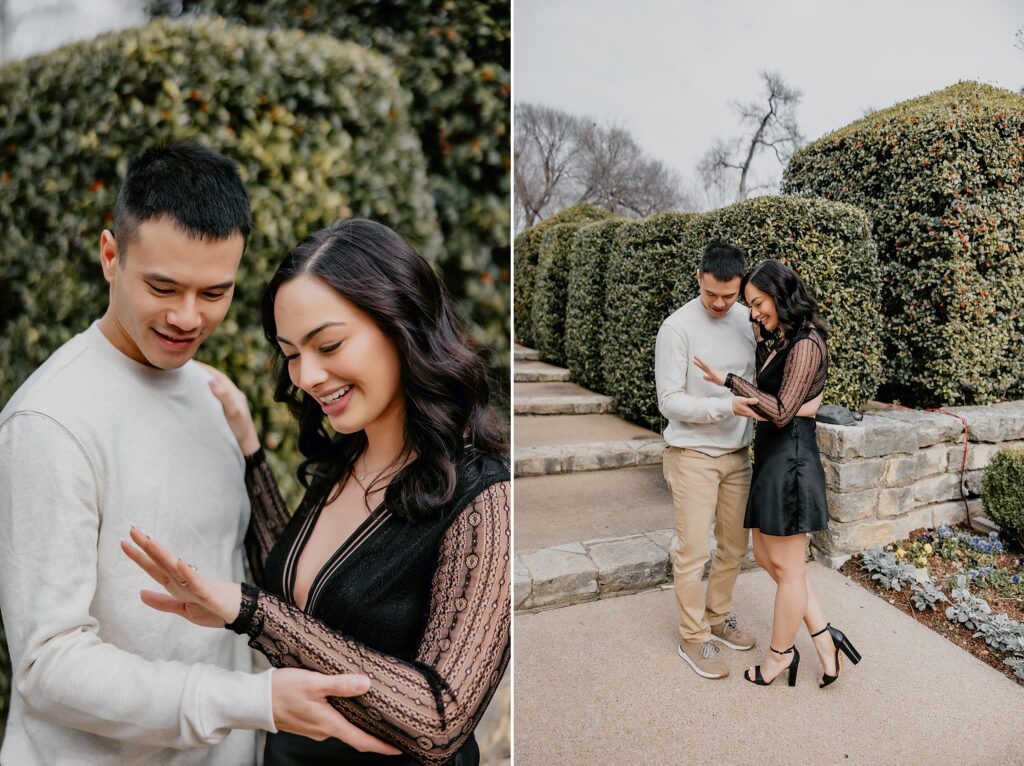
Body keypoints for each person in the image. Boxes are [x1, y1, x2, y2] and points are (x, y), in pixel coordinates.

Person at [0, 142, 397, 765]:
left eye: (215, 293)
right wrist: (250, 701)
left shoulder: (213, 397)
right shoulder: (50, 420)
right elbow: (47, 663)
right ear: (111, 256)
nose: (188, 318)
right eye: (163, 286)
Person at [123, 218, 511, 765]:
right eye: (291, 352)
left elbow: (439, 721)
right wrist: (251, 455)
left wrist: (249, 611)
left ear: (401, 323)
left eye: (327, 344)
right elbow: (301, 602)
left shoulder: (485, 499)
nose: (306, 375)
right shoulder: (349, 455)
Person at [694, 258, 863, 688]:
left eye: (757, 302)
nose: (753, 313)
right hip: (772, 459)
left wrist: (730, 381)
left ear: (780, 293)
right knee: (770, 559)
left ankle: (780, 656)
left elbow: (783, 412)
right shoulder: (781, 340)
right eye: (750, 305)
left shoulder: (807, 342)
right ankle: (826, 637)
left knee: (788, 568)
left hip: (792, 461)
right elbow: (784, 403)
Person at [654, 241, 765, 680]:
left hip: (737, 455)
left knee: (736, 547)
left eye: (730, 295)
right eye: (712, 294)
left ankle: (718, 618)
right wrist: (725, 407)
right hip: (692, 456)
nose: (720, 303)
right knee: (693, 551)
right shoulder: (676, 327)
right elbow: (669, 402)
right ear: (699, 276)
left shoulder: (746, 320)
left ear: (740, 286)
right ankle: (694, 636)